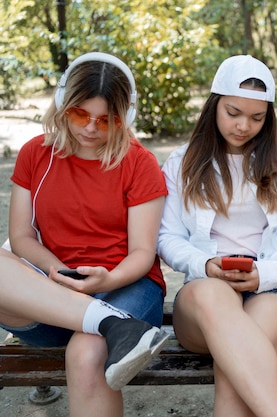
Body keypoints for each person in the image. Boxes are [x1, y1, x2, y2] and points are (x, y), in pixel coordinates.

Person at [1, 52, 169, 416]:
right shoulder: (35, 154)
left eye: (107, 120)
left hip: (126, 286)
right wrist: (57, 271)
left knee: (86, 352)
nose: (91, 128)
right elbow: (21, 237)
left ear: (126, 118)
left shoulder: (140, 163)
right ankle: (107, 324)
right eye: (80, 114)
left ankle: (115, 325)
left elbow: (142, 252)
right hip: (53, 292)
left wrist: (107, 278)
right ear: (63, 103)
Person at [158, 55, 277, 417]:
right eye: (233, 113)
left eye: (257, 118)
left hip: (276, 289)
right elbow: (167, 238)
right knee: (219, 307)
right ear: (214, 105)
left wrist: (267, 274)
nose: (244, 126)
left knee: (236, 364)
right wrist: (206, 265)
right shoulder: (182, 162)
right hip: (205, 294)